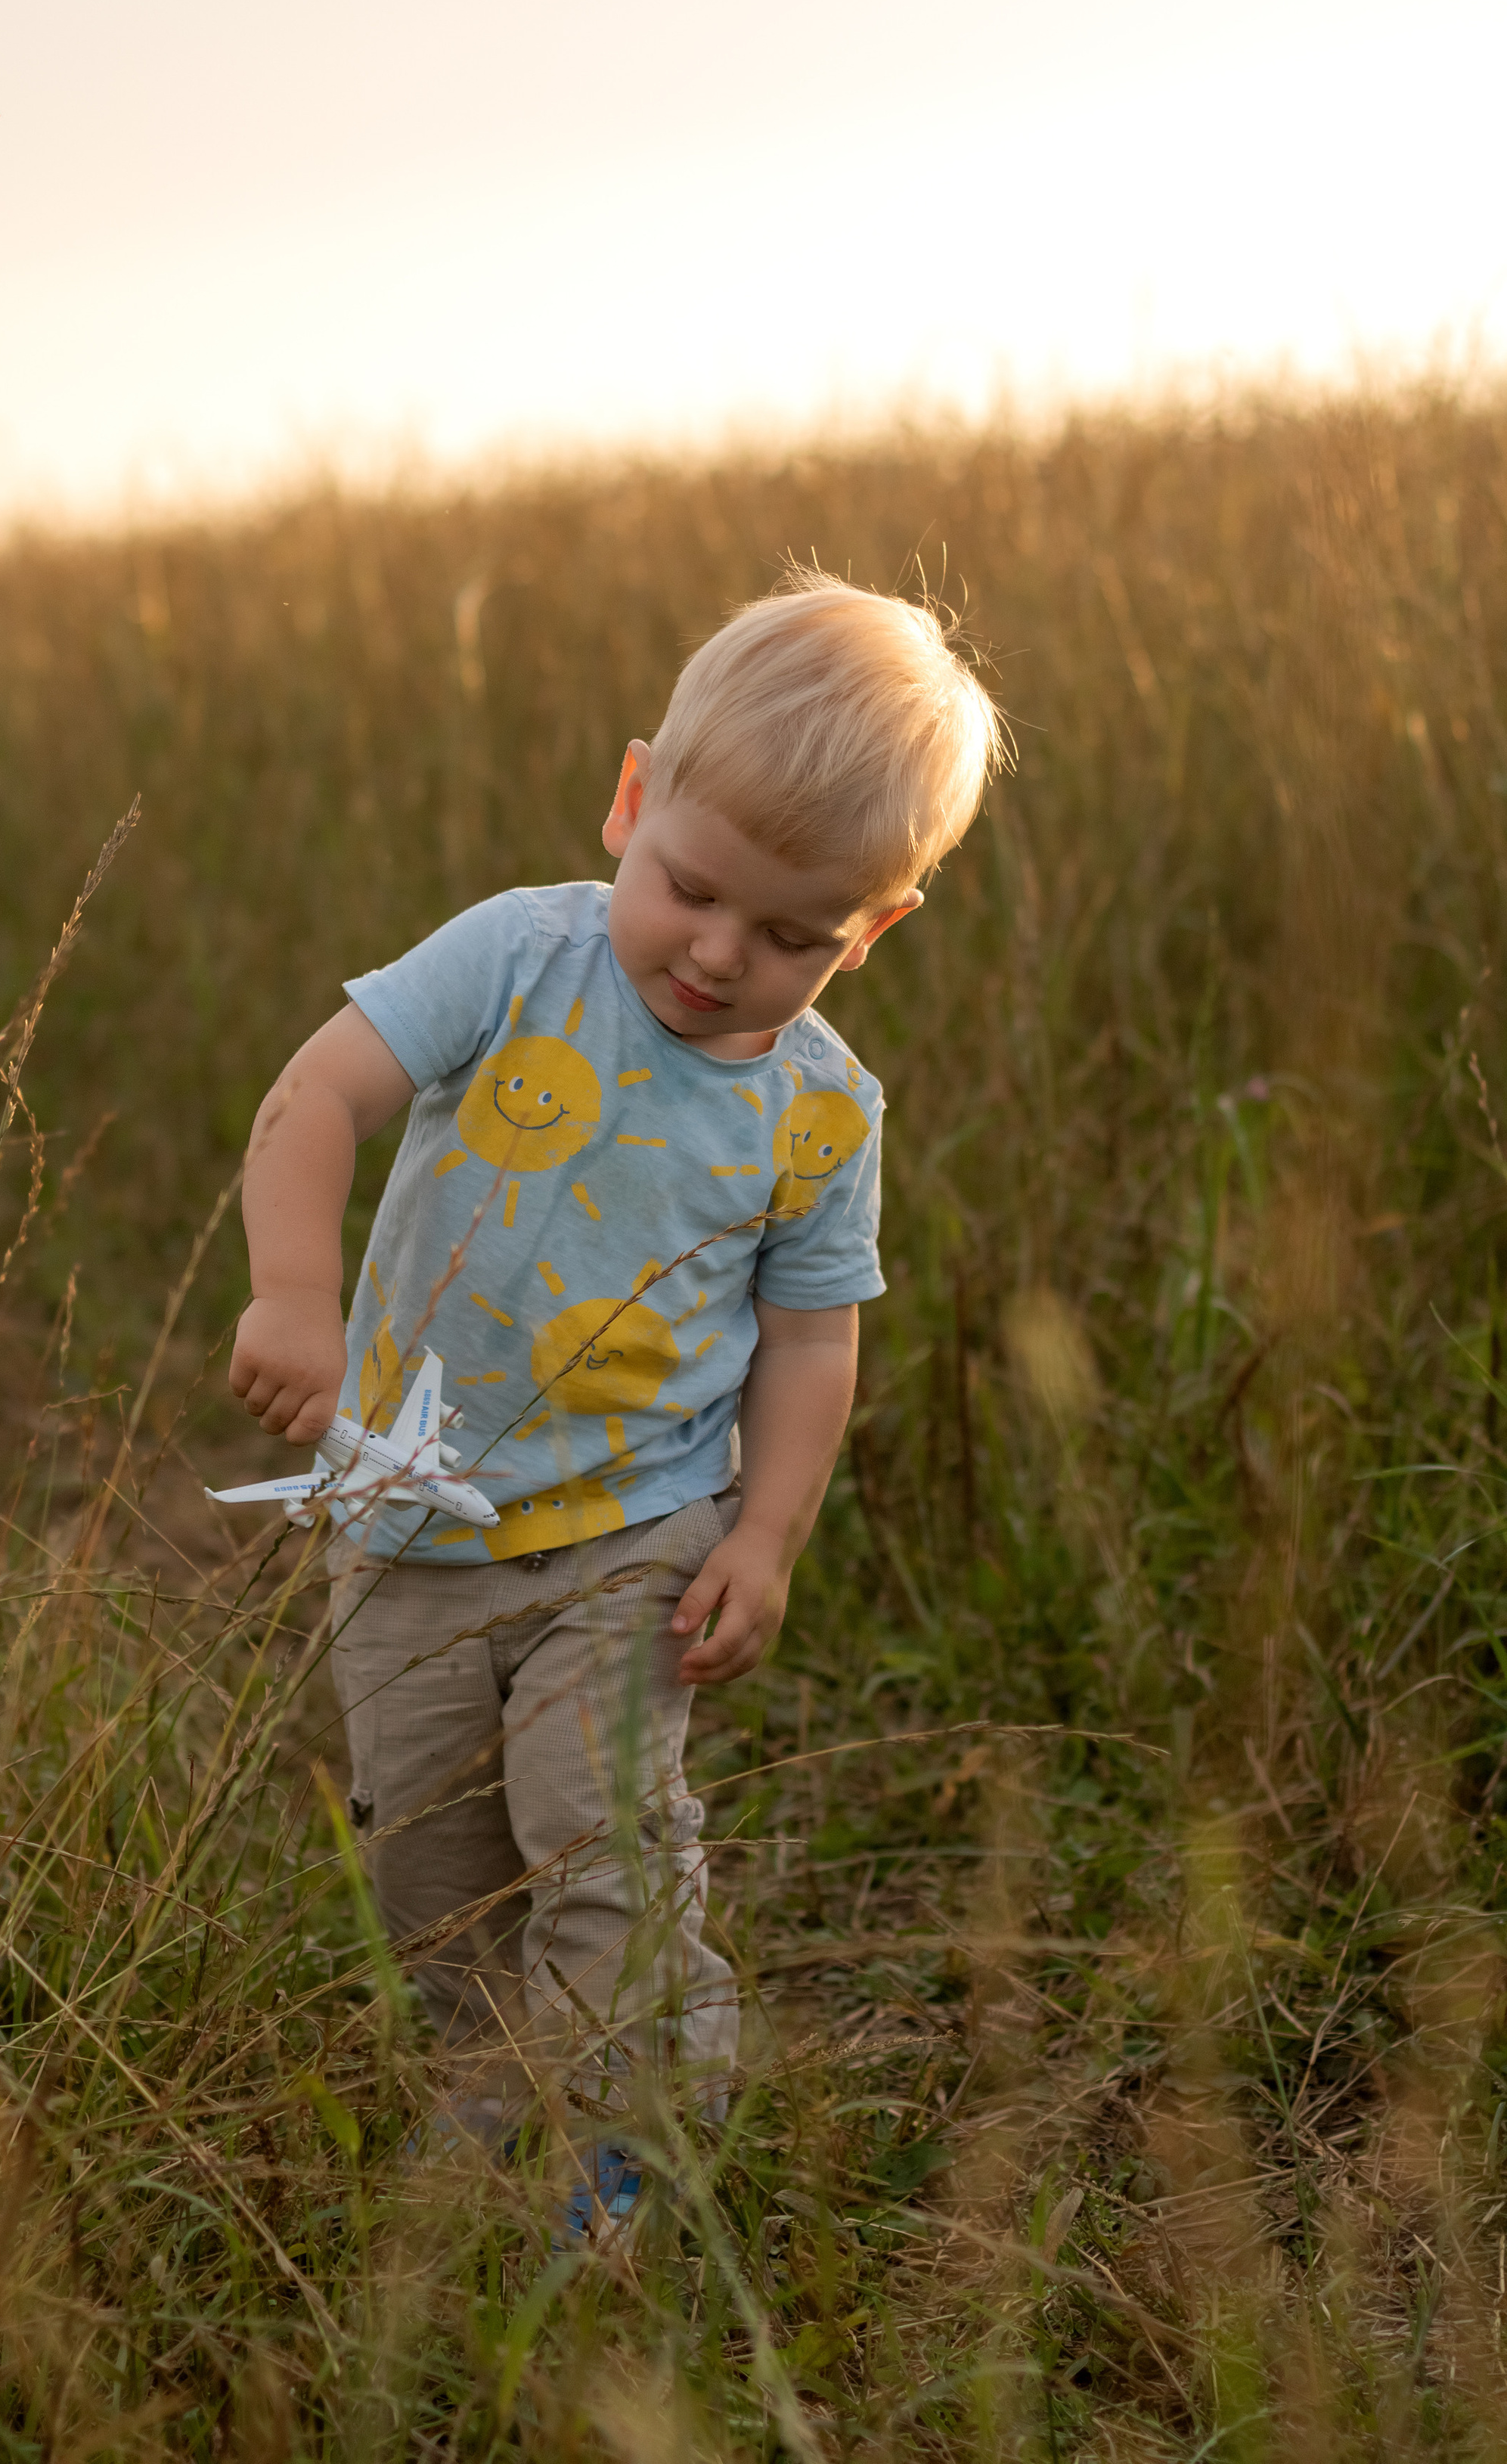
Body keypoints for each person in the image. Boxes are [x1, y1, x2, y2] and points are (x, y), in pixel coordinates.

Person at [228, 567, 1003, 2240]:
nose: (721, 956)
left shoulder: (819, 1115)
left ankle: (623, 2135)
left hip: (635, 1537)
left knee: (599, 1835)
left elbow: (811, 1342)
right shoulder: (518, 957)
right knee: (428, 1858)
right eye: (692, 890)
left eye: (795, 933)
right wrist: (294, 1295)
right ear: (631, 799)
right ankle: (490, 2083)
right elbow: (317, 1097)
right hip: (408, 1515)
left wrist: (768, 1533)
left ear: (873, 929)